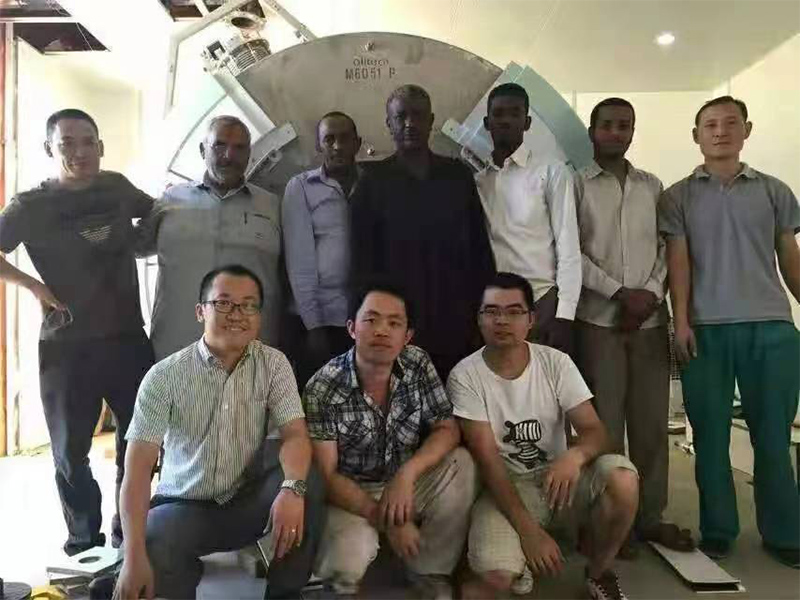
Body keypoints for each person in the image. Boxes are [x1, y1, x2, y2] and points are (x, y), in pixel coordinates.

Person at [113, 265, 323, 600]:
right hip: (184, 506)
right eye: (223, 303)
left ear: (258, 315)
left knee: (307, 481)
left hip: (246, 499)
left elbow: (295, 434)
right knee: (152, 540)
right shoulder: (164, 376)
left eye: (248, 305)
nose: (237, 314)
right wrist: (133, 557)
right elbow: (137, 471)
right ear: (201, 311)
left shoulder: (273, 364)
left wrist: (292, 489)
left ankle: (284, 593)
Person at [0, 108, 155, 555]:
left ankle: (129, 532)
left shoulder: (117, 187)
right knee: (70, 452)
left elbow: (160, 214)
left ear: (101, 146)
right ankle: (84, 541)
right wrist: (33, 286)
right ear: (50, 148)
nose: (80, 151)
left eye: (88, 142)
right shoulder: (30, 205)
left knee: (139, 441)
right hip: (66, 345)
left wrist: (141, 242)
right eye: (67, 143)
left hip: (127, 337)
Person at [659, 96, 800, 567]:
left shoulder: (775, 191)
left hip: (772, 328)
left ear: (747, 130)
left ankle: (784, 533)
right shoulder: (677, 196)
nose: (721, 131)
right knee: (711, 438)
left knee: (773, 437)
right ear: (696, 135)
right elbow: (678, 263)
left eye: (730, 123)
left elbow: (790, 259)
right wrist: (680, 321)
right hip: (706, 330)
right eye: (710, 125)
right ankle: (719, 529)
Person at [449, 272, 639, 600]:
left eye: (514, 312)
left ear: (531, 319)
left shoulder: (555, 363)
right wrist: (528, 532)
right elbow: (489, 462)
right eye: (491, 311)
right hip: (506, 489)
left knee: (623, 479)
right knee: (495, 579)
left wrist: (574, 456)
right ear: (479, 319)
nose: (502, 320)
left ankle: (599, 572)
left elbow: (596, 432)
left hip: (560, 480)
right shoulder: (465, 376)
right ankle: (509, 558)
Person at [305, 282, 477, 598]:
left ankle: (430, 571)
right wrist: (388, 521)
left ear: (407, 336)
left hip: (406, 480)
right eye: (371, 320)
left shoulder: (417, 363)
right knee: (347, 562)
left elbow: (447, 428)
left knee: (462, 464)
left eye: (394, 323)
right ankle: (340, 585)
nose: (382, 330)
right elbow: (326, 477)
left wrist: (407, 475)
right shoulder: (323, 387)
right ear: (352, 328)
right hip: (351, 492)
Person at [575, 98, 692, 554]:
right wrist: (619, 294)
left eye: (624, 125)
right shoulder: (575, 184)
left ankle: (649, 517)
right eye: (607, 125)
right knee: (605, 426)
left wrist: (649, 295)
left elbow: (667, 249)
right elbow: (571, 251)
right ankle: (612, 519)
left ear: (632, 131)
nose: (616, 132)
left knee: (651, 425)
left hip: (649, 322)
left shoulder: (652, 186)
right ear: (592, 131)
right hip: (598, 321)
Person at [350, 84, 495, 381]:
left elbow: (479, 250)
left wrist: (484, 312)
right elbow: (362, 261)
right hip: (395, 322)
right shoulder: (372, 182)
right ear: (388, 123)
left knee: (459, 397)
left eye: (417, 115)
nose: (409, 123)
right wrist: (368, 321)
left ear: (431, 121)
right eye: (400, 116)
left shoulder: (457, 176)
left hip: (456, 318)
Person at [138, 115, 282, 360]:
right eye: (219, 145)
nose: (229, 155)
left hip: (250, 352)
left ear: (249, 154)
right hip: (176, 350)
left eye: (239, 148)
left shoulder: (273, 206)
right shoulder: (170, 201)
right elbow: (130, 248)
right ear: (203, 150)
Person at [475, 83, 581, 356]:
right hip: (494, 305)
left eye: (515, 113)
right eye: (498, 114)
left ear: (527, 122)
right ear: (487, 123)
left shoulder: (551, 171)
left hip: (541, 302)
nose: (506, 121)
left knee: (543, 383)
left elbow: (568, 246)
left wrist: (564, 315)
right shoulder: (479, 181)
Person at [282, 111, 360, 389]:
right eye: (329, 139)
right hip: (318, 320)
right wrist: (314, 326)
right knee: (317, 400)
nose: (337, 146)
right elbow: (299, 260)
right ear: (318, 145)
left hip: (362, 317)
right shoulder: (301, 187)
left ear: (357, 143)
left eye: (345, 138)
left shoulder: (373, 184)